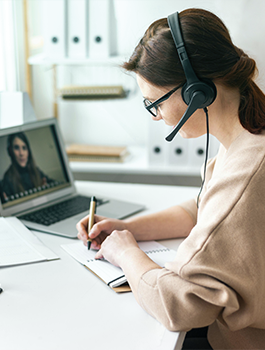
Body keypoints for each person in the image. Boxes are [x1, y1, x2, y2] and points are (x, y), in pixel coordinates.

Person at [77, 8, 265, 350]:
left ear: (196, 92)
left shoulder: (248, 171)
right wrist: (127, 229)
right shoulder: (247, 138)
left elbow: (181, 306)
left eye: (155, 103)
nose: (156, 116)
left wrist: (127, 255)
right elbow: (203, 211)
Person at [0, 132, 53, 201]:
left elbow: (53, 183)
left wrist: (46, 189)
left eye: (24, 148)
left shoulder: (35, 170)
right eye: (16, 148)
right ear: (10, 151)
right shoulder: (7, 179)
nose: (21, 153)